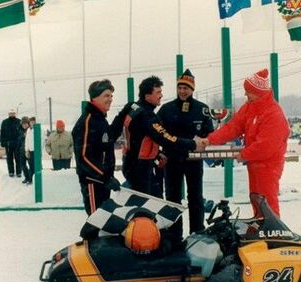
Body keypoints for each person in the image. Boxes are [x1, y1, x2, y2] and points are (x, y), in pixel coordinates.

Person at [198, 69, 290, 217]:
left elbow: (266, 146)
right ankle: (260, 227)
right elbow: (233, 126)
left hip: (268, 166)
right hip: (254, 164)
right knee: (256, 200)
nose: (245, 94)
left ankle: (272, 232)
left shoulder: (273, 114)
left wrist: (244, 154)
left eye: (248, 91)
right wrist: (210, 140)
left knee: (267, 202)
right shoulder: (249, 107)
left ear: (258, 92)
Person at [157, 69, 214, 241]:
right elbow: (157, 134)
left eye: (186, 88)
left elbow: (209, 135)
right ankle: (174, 235)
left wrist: (204, 142)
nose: (183, 91)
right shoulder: (166, 109)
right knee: (173, 198)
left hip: (194, 161)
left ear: (192, 89)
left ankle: (197, 233)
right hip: (172, 160)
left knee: (195, 197)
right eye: (180, 87)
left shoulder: (202, 109)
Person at [122, 75, 200, 198]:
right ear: (147, 96)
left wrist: (157, 153)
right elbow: (165, 138)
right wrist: (193, 144)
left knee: (154, 200)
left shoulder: (134, 107)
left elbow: (140, 139)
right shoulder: (146, 115)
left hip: (137, 164)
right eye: (158, 92)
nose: (161, 95)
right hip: (139, 168)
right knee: (148, 206)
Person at [72, 79, 130, 226]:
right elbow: (83, 157)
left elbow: (109, 137)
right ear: (95, 97)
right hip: (93, 182)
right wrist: (105, 177)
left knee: (103, 221)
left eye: (111, 96)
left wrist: (123, 114)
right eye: (106, 95)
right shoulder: (87, 121)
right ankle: (90, 245)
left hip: (103, 182)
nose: (110, 99)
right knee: (96, 222)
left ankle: (97, 245)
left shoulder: (100, 120)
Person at [0, 109, 22, 177]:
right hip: (8, 143)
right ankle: (11, 172)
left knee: (18, 158)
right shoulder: (5, 122)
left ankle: (19, 172)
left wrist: (21, 142)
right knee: (9, 159)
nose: (12, 114)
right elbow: (2, 133)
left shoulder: (19, 121)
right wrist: (3, 142)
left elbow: (22, 132)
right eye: (10, 113)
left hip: (17, 143)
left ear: (15, 113)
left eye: (13, 113)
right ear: (8, 114)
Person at [19, 117, 32, 184]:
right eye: (23, 124)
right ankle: (26, 177)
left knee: (30, 164)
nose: (24, 125)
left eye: (25, 123)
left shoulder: (30, 130)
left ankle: (30, 178)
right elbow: (18, 140)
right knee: (22, 165)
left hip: (29, 150)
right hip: (22, 150)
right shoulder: (20, 130)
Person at [24, 117, 37, 182]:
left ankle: (37, 179)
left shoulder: (38, 129)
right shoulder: (28, 130)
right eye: (31, 122)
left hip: (36, 151)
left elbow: (42, 140)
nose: (32, 123)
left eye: (33, 122)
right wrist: (26, 150)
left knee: (37, 165)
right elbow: (26, 141)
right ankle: (31, 179)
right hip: (30, 151)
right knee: (31, 165)